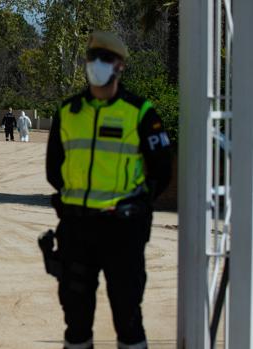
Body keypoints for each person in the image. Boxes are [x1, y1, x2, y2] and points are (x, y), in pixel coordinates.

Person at [45, 31, 172, 349]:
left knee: (128, 316)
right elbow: (53, 169)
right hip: (76, 229)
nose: (97, 64)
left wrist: (137, 205)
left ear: (120, 66)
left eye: (105, 59)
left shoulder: (140, 113)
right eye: (92, 58)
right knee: (75, 319)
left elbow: (162, 170)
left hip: (123, 230)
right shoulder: (68, 112)